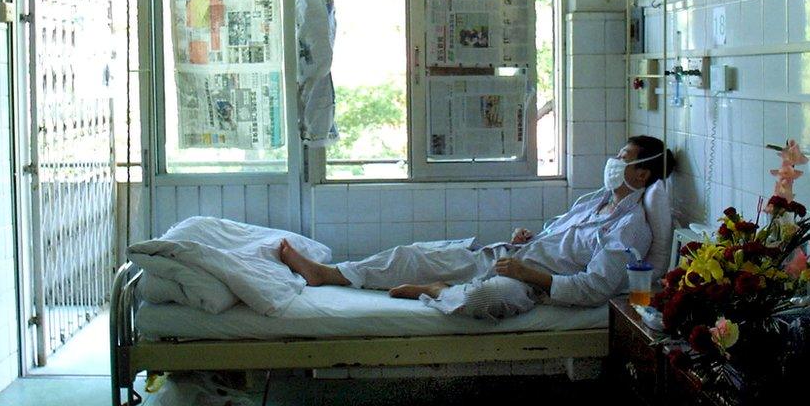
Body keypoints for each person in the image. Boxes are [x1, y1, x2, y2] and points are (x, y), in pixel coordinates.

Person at [281, 135, 676, 320]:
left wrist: (531, 274)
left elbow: (594, 288)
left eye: (622, 159)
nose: (612, 162)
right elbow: (560, 235)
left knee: (484, 301)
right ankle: (326, 274)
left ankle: (437, 291)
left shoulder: (631, 229)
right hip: (510, 255)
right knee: (414, 253)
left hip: (530, 283)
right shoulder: (596, 200)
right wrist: (531, 238)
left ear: (641, 176)